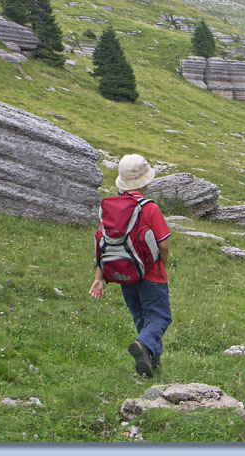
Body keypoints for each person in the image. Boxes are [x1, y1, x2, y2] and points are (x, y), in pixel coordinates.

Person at [89, 154, 171, 378]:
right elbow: (163, 244)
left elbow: (102, 243)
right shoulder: (149, 208)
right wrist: (162, 265)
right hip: (152, 275)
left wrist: (99, 277)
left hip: (124, 273)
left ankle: (150, 366)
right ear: (144, 181)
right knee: (160, 317)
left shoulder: (110, 209)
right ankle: (143, 345)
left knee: (142, 318)